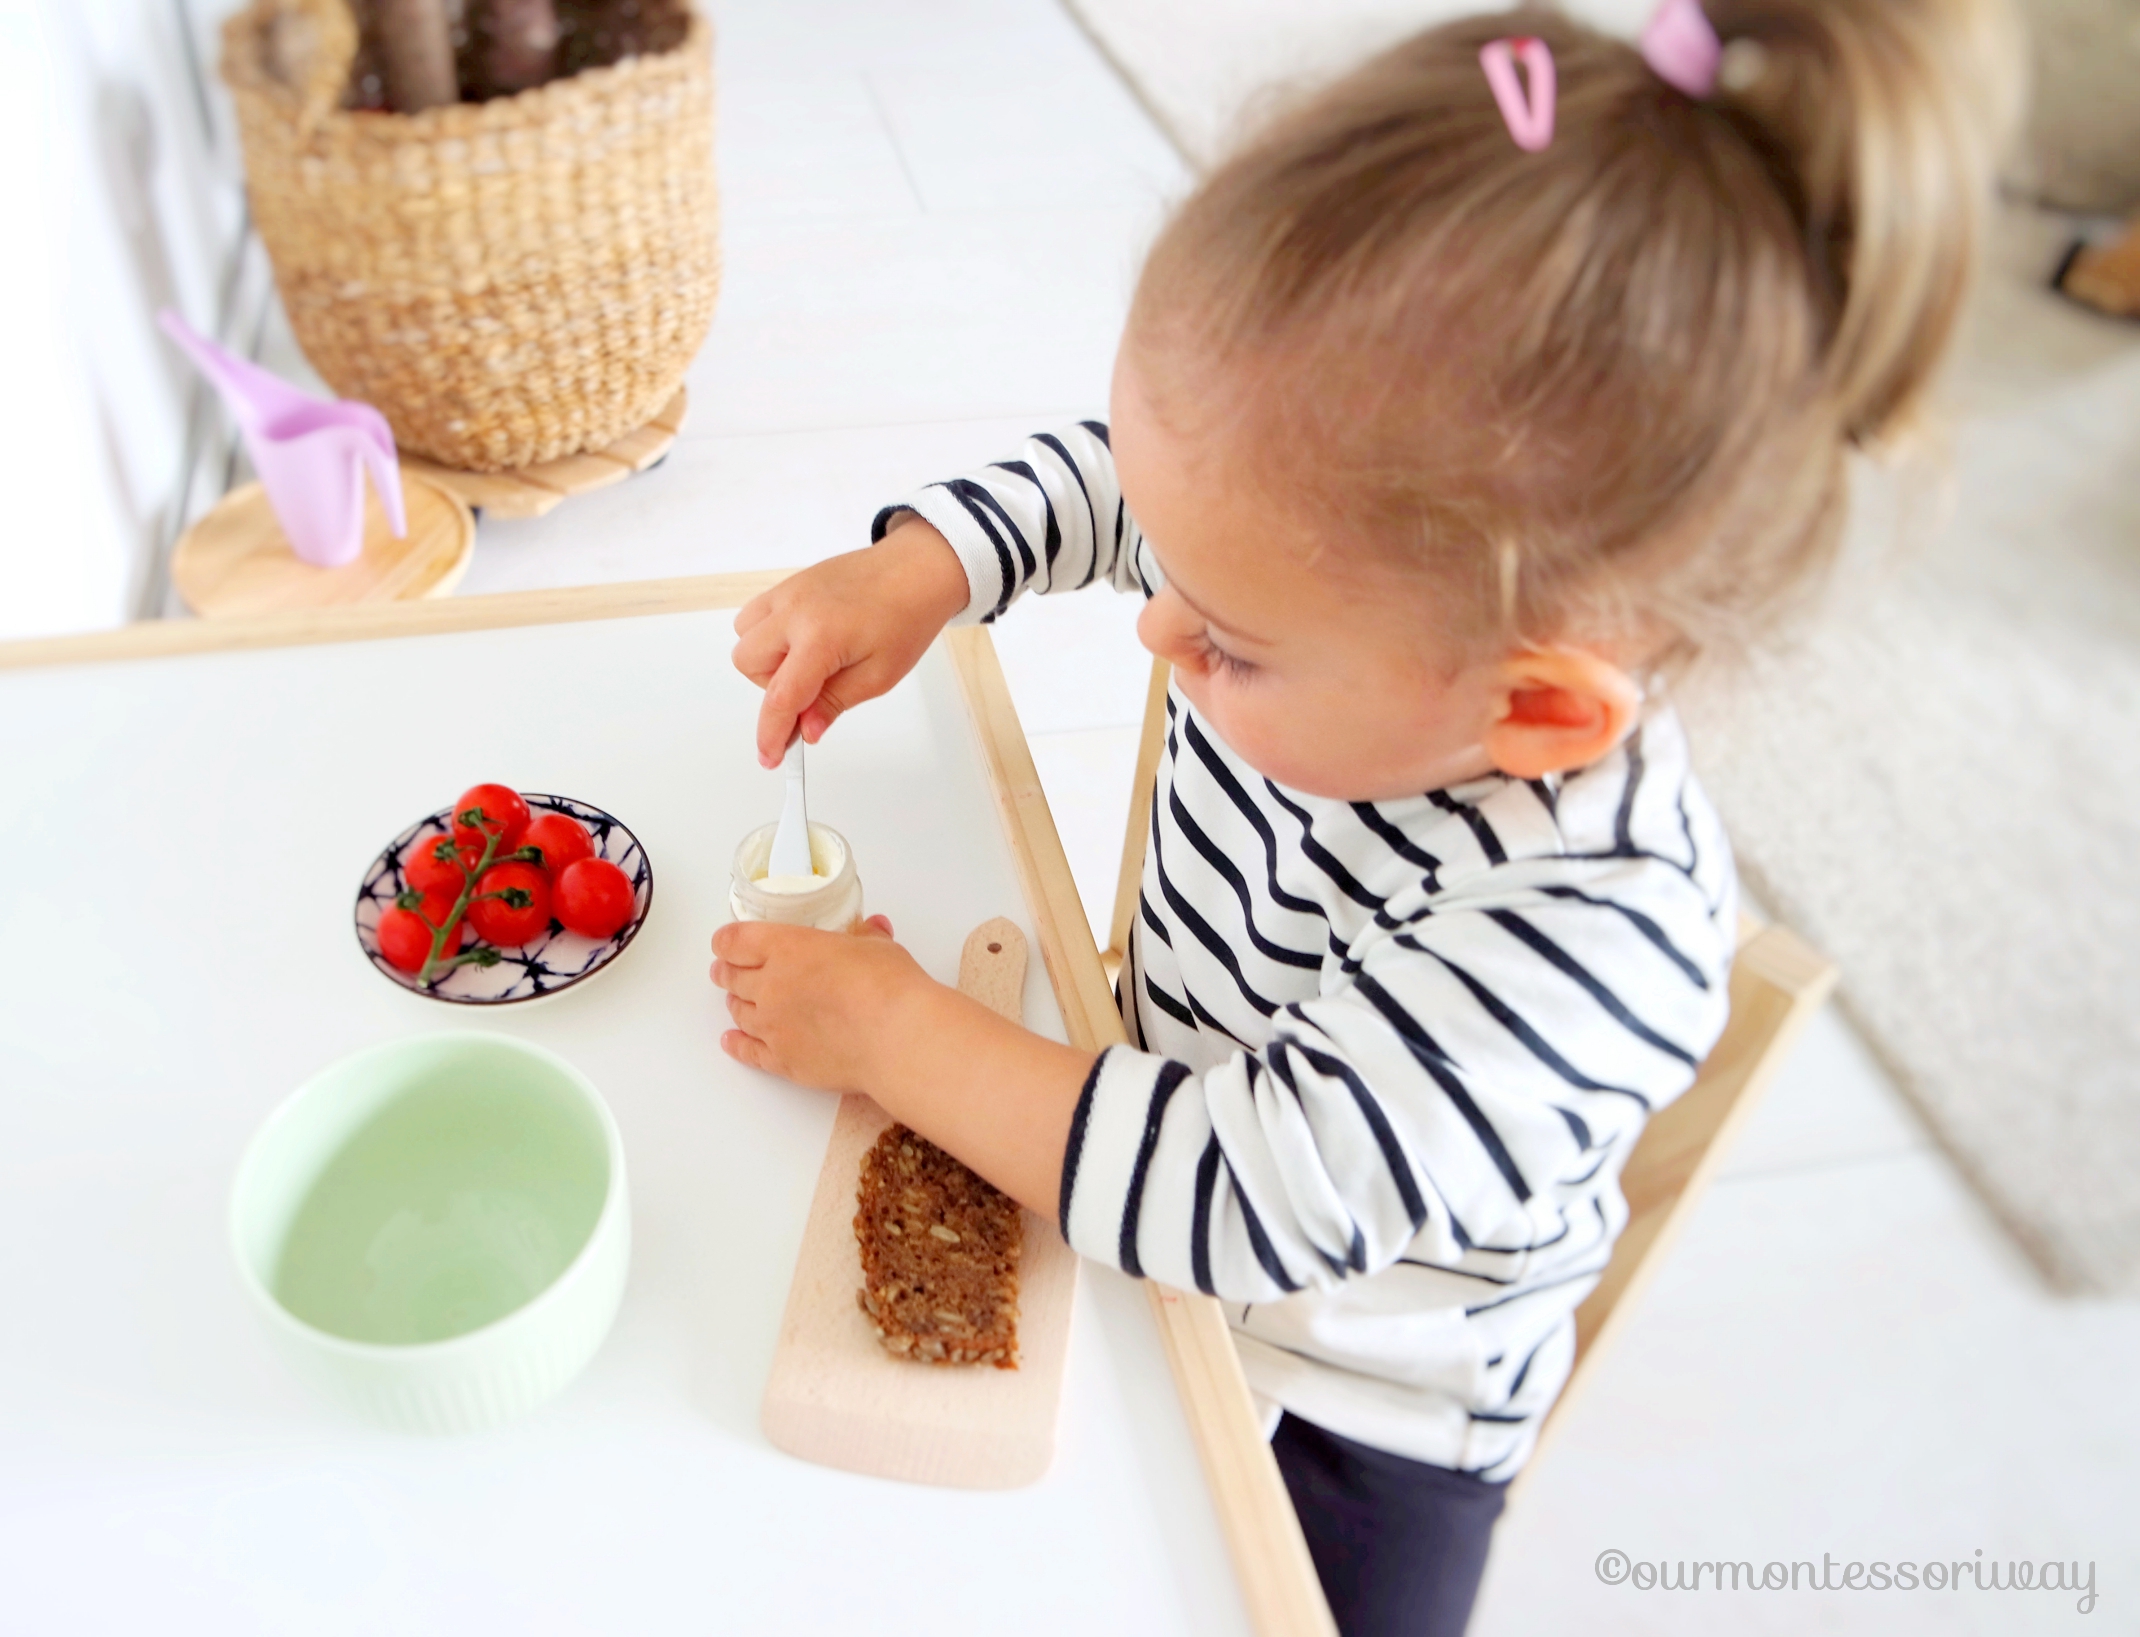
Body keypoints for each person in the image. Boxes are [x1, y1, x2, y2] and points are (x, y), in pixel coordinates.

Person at [710, 2, 2012, 1631]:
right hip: (1139, 1136)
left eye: (1228, 642)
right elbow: (1140, 484)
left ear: (1530, 708)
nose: (1155, 633)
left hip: (1349, 1404)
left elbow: (1238, 1200)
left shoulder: (1584, 945)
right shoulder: (1328, 593)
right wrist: (933, 564)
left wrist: (893, 1033)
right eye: (1179, 579)